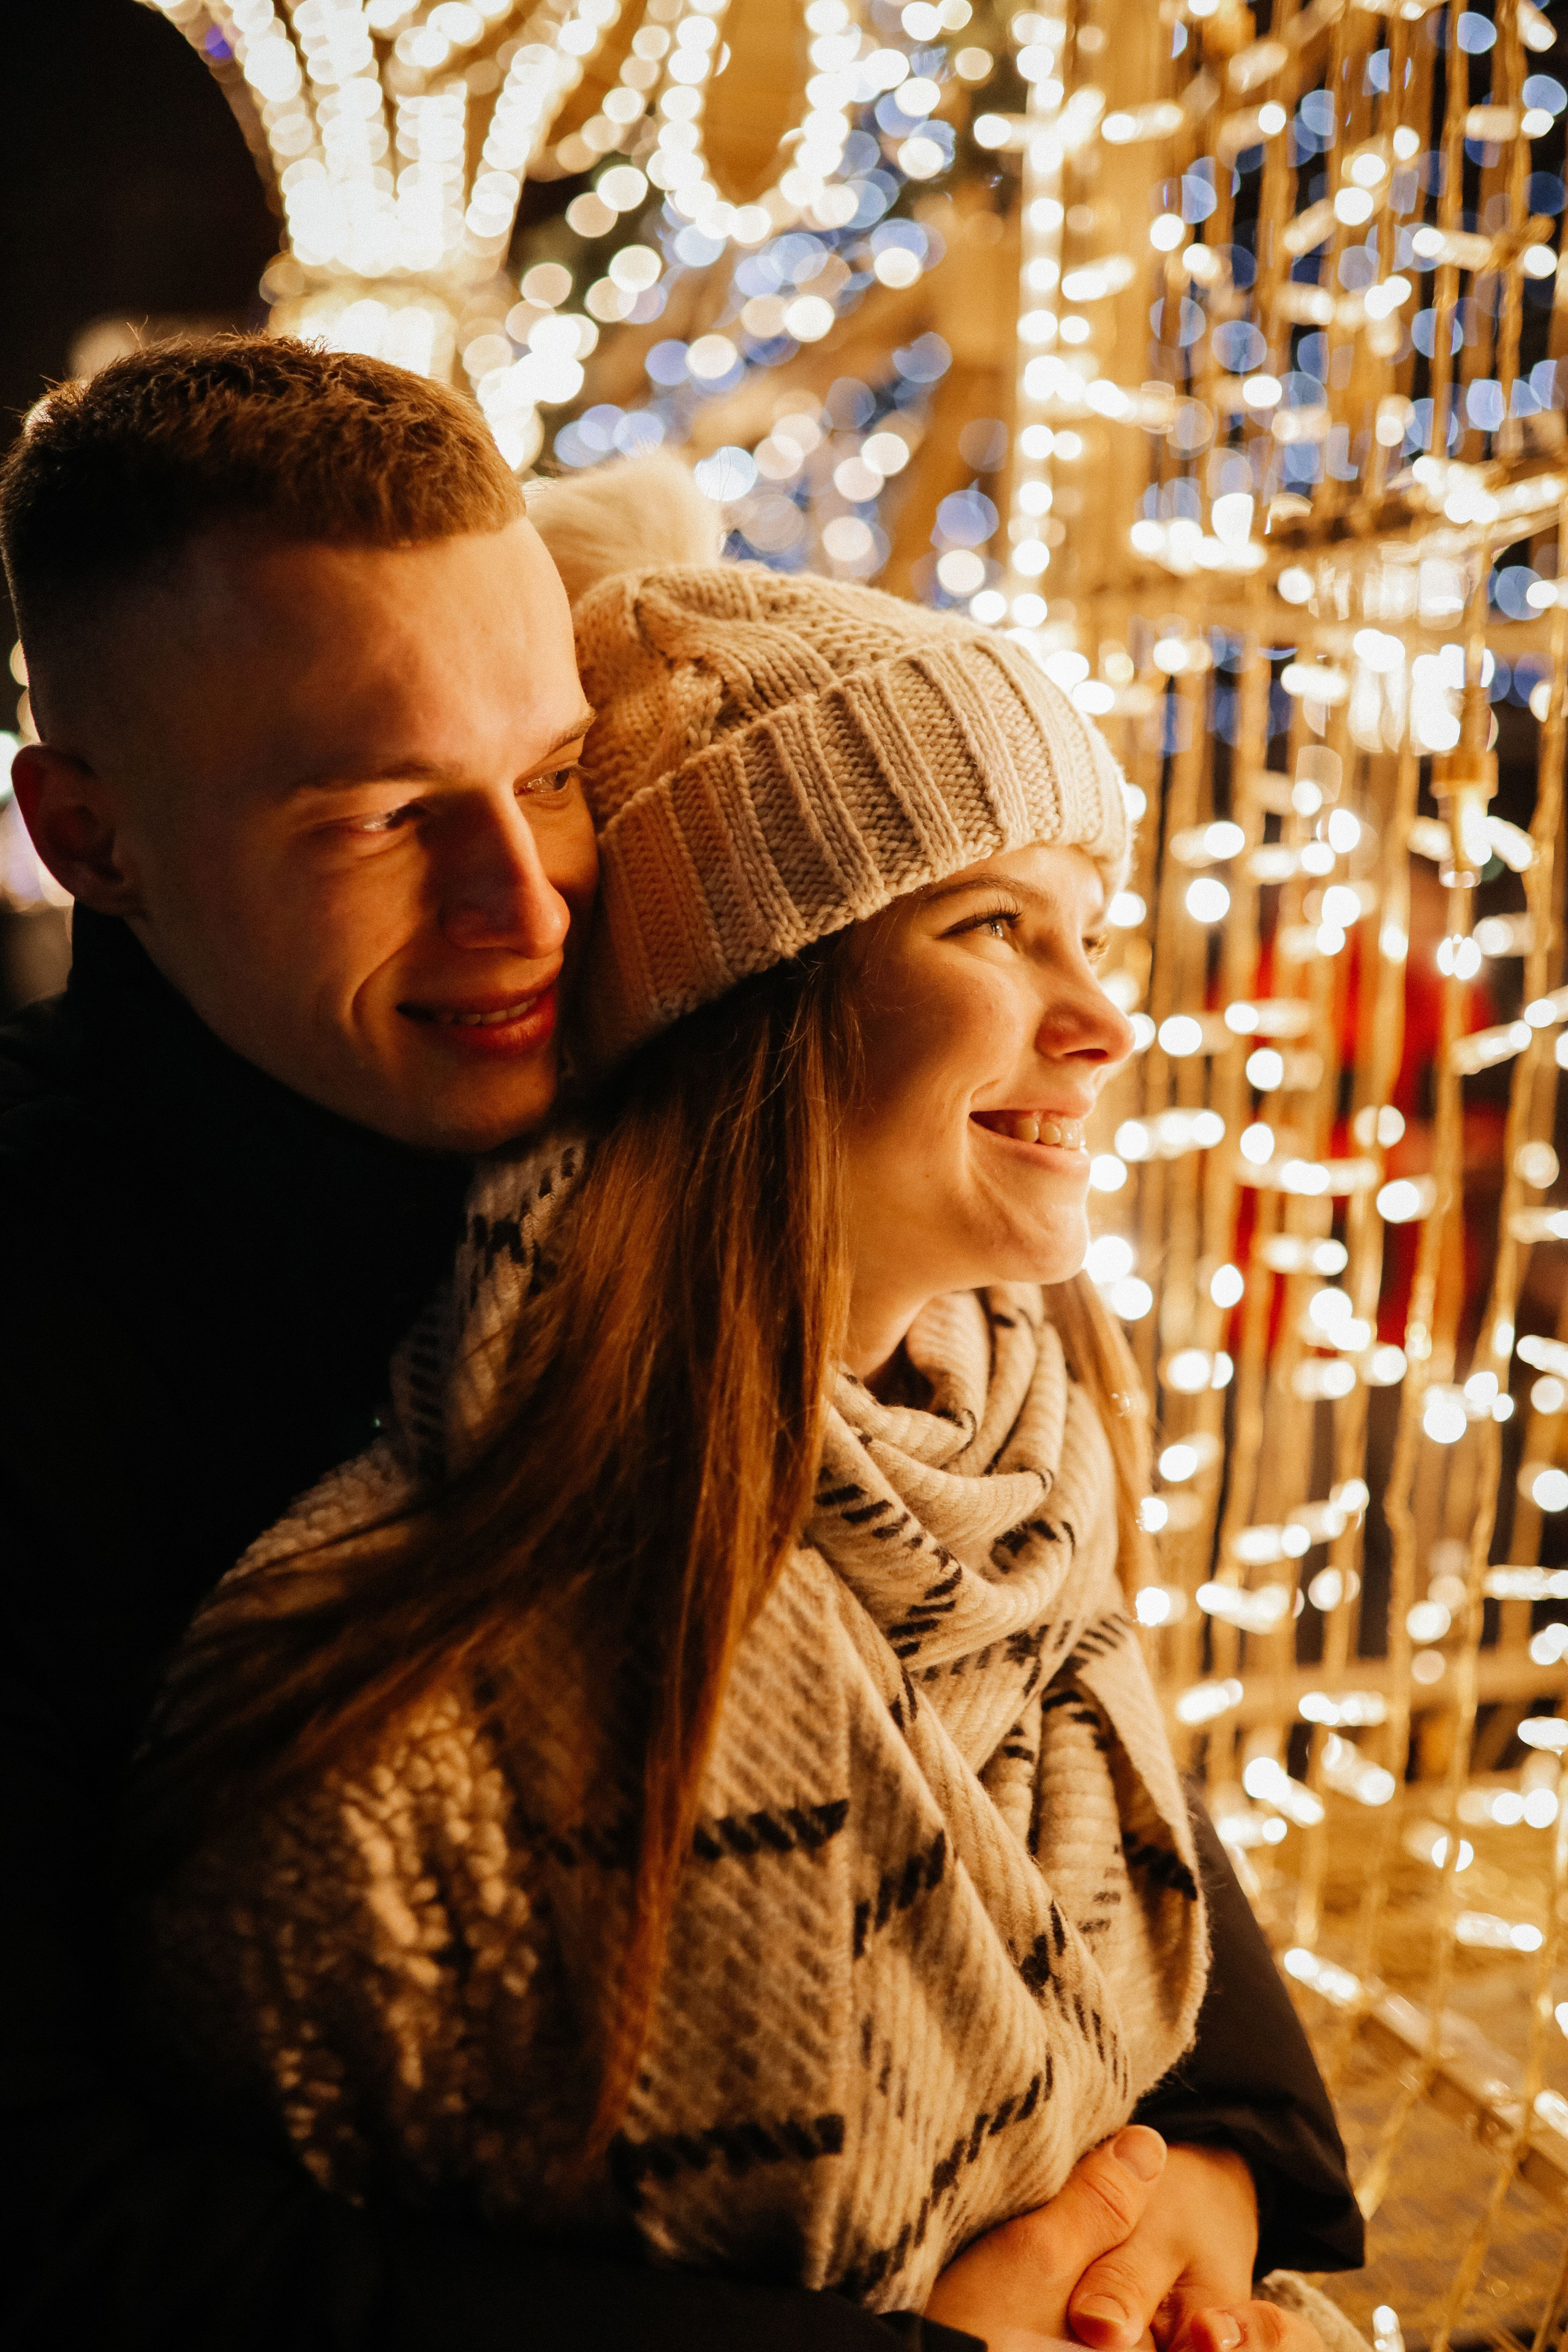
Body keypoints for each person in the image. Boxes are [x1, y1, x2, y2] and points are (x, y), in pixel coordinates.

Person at [0, 341, 1359, 2350]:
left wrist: (1220, 2163)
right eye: (381, 816)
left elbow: (1024, 1682)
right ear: (90, 838)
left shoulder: (654, 1094)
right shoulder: (55, 1341)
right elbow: (55, 2212)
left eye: (552, 777)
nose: (525, 902)